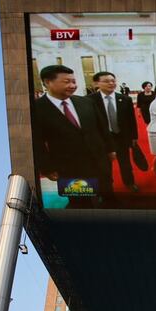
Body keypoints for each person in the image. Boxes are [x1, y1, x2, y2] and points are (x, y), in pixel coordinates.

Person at [32, 65, 115, 207]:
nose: (72, 86)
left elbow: (102, 128)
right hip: (69, 167)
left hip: (99, 160)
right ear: (47, 82)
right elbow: (37, 143)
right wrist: (47, 168)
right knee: (81, 203)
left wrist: (110, 149)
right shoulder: (36, 109)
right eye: (66, 82)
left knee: (107, 194)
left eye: (74, 81)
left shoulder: (86, 102)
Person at [88, 72, 141, 193]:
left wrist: (134, 137)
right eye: (107, 81)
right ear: (96, 83)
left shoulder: (125, 99)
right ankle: (106, 187)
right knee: (104, 165)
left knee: (125, 162)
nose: (111, 83)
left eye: (113, 80)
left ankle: (129, 183)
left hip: (121, 137)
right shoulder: (89, 100)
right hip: (102, 139)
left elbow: (131, 121)